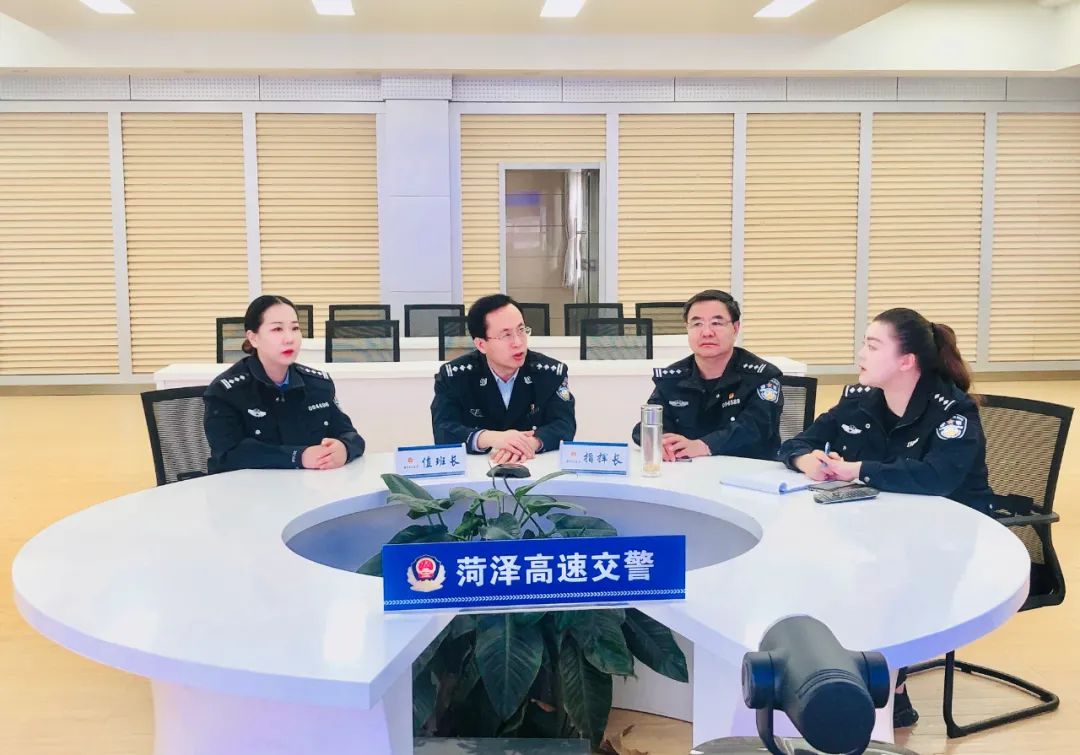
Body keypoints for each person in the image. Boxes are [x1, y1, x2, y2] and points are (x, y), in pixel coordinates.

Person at [777, 307, 996, 729]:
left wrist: (856, 469)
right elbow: (798, 441)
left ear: (906, 361)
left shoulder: (952, 410)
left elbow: (936, 478)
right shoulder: (859, 400)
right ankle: (849, 675)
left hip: (953, 540)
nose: (861, 354)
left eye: (873, 346)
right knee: (812, 564)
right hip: (882, 530)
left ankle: (885, 684)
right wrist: (806, 459)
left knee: (875, 579)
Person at [203, 295, 365, 473]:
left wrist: (344, 448)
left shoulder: (318, 384)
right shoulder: (225, 391)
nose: (289, 338)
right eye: (277, 329)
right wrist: (299, 456)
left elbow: (351, 436)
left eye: (295, 328)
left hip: (308, 486)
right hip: (247, 488)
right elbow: (228, 454)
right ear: (253, 338)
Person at [631, 289, 783, 461]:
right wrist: (660, 440)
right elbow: (646, 424)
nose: (707, 332)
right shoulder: (673, 378)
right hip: (687, 472)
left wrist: (703, 445)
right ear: (687, 329)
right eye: (697, 324)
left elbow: (756, 429)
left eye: (716, 323)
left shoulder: (761, 376)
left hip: (749, 472)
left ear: (735, 328)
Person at [431, 294, 575, 464]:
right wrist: (491, 438)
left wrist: (530, 443)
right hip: (478, 469)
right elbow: (443, 430)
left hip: (533, 464)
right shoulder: (454, 377)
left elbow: (564, 425)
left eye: (521, 330)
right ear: (481, 344)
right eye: (506, 335)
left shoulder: (550, 373)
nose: (518, 342)